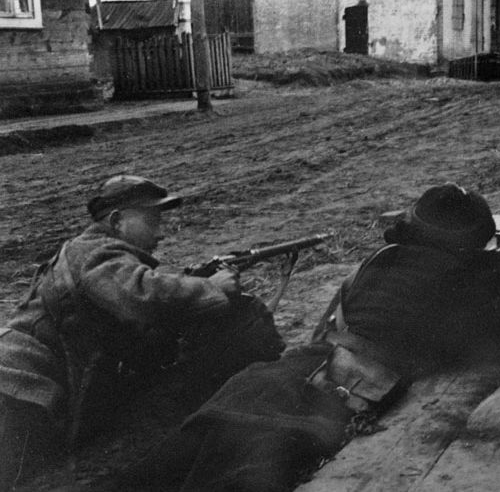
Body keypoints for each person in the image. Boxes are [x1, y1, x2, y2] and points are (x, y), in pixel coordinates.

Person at [120, 183, 500, 492]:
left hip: (271, 378)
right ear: (472, 244)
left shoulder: (380, 261)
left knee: (160, 471)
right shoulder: (464, 290)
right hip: (316, 407)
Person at [0, 175, 286, 491]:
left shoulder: (102, 256)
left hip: (31, 388)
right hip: (18, 385)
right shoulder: (93, 251)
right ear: (116, 221)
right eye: (152, 221)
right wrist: (210, 288)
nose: (160, 233)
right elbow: (141, 295)